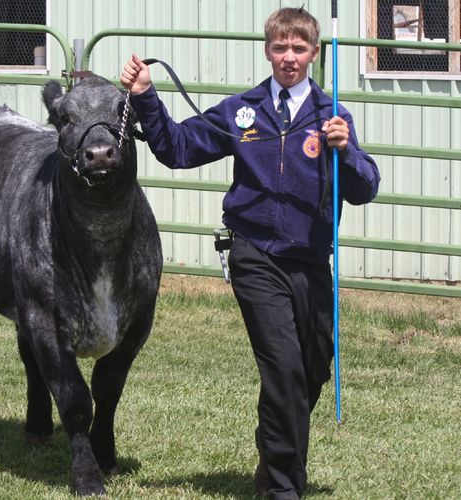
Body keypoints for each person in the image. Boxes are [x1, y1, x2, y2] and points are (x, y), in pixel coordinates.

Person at [121, 6, 380, 500]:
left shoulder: (333, 117)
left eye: (299, 48)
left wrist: (345, 152)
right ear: (267, 50)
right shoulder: (243, 112)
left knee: (310, 370)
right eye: (280, 47)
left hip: (310, 261)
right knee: (283, 369)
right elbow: (177, 148)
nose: (289, 57)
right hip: (254, 254)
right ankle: (284, 488)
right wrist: (146, 97)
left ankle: (272, 451)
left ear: (314, 53)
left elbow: (364, 188)